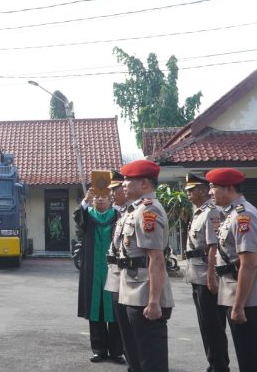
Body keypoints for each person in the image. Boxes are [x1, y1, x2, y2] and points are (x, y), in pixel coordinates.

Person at [208, 168, 257, 372]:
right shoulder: (232, 214)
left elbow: (249, 264)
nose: (210, 192)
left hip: (248, 298)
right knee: (246, 356)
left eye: (213, 187)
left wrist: (238, 306)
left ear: (229, 188)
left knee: (251, 359)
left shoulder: (244, 216)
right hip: (238, 293)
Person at [117, 159, 174, 372]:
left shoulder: (149, 211)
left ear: (144, 183)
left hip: (145, 295)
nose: (123, 184)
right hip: (133, 291)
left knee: (151, 361)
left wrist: (154, 302)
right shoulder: (135, 209)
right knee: (135, 358)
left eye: (128, 179)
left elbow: (156, 259)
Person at [183, 173, 230, 372]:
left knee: (213, 325)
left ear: (203, 191)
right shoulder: (199, 212)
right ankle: (214, 363)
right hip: (197, 275)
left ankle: (220, 366)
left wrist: (211, 277)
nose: (188, 194)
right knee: (205, 325)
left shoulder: (211, 212)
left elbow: (213, 247)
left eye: (191, 190)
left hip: (206, 276)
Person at [74, 187, 124, 364]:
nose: (100, 200)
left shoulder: (117, 215)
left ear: (110, 200)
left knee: (116, 310)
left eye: (104, 197)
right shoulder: (87, 216)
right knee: (95, 311)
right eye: (96, 197)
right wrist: (85, 200)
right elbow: (77, 218)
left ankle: (117, 352)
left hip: (114, 269)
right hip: (93, 270)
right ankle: (99, 350)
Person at [103, 171, 137, 370]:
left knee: (133, 328)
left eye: (115, 189)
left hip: (132, 276)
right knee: (124, 324)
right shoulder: (123, 213)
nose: (112, 194)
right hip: (118, 274)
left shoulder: (137, 212)